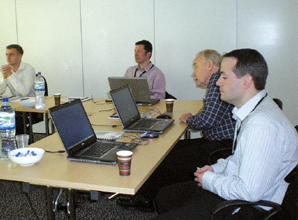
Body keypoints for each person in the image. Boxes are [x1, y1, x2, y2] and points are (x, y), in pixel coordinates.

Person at [154, 49, 298, 219]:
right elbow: (239, 158)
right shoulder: (251, 110)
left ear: (246, 81)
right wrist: (215, 168)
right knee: (165, 195)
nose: (218, 83)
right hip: (236, 187)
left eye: (224, 77)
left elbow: (248, 193)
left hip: (247, 207)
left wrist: (209, 179)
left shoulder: (262, 126)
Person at [117, 50, 235, 210]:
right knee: (174, 148)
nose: (193, 74)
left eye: (196, 67)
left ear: (209, 66)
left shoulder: (216, 80)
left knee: (167, 155)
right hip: (222, 143)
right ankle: (152, 193)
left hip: (221, 147)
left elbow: (207, 120)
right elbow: (212, 114)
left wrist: (190, 120)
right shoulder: (218, 81)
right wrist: (194, 118)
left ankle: (147, 199)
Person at [0, 44, 36, 136]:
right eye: (6, 54)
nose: (8, 57)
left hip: (28, 106)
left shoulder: (29, 69)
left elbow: (25, 92)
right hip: (14, 105)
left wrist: (10, 75)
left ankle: (19, 139)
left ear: (20, 56)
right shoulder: (6, 69)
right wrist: (4, 77)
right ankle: (9, 136)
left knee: (15, 121)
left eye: (11, 54)